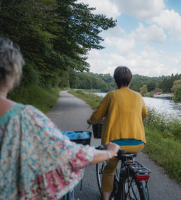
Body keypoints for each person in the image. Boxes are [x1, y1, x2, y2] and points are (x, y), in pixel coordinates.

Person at [0, 36, 120, 200]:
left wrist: (92, 120)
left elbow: (97, 115)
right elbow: (70, 155)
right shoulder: (23, 118)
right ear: (13, 74)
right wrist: (109, 152)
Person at [87, 66, 147, 200]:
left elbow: (97, 116)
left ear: (115, 81)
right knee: (128, 159)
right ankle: (129, 176)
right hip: (138, 142)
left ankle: (106, 199)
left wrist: (90, 120)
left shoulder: (111, 95)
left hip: (115, 145)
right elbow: (144, 114)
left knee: (109, 170)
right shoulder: (138, 96)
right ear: (130, 80)